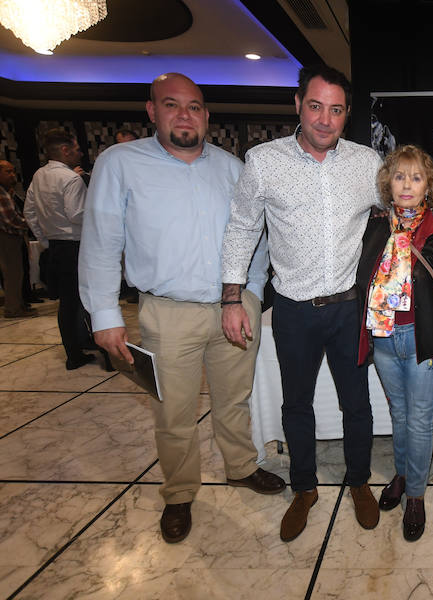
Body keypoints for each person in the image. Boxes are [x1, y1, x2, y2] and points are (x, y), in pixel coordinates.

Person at [221, 64, 433, 542]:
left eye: (336, 110)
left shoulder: (365, 162)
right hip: (291, 308)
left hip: (352, 309)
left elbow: (408, 199)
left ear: (347, 114)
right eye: (315, 106)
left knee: (358, 405)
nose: (325, 119)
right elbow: (242, 227)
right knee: (297, 404)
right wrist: (232, 295)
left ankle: (358, 482)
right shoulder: (263, 161)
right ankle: (304, 489)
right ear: (298, 105)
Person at [80, 73, 285, 544]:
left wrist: (251, 293)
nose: (184, 115)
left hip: (234, 308)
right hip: (166, 312)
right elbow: (100, 242)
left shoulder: (233, 168)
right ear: (152, 111)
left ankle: (239, 466)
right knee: (172, 411)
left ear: (207, 114)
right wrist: (105, 315)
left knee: (234, 400)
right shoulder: (120, 164)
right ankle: (178, 494)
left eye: (194, 106)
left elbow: (256, 238)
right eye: (172, 105)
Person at [356, 145, 433, 541]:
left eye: (416, 177)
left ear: (428, 186)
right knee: (399, 416)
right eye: (400, 177)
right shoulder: (373, 225)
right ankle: (403, 476)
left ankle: (416, 496)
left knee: (420, 420)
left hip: (426, 342)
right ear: (388, 183)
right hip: (384, 339)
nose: (407, 185)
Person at [24, 128, 95, 369]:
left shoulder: (38, 176)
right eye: (76, 149)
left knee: (68, 301)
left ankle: (76, 347)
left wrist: (45, 240)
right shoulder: (70, 179)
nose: (80, 153)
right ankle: (79, 352)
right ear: (65, 150)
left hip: (55, 246)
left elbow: (29, 213)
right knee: (84, 298)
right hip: (75, 246)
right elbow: (77, 215)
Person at [0, 160, 35, 318]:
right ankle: (13, 308)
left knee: (17, 272)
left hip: (13, 236)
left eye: (13, 171)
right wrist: (30, 223)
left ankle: (18, 305)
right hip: (7, 237)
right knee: (12, 273)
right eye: (8, 172)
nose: (12, 175)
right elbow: (11, 219)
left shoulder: (8, 191)